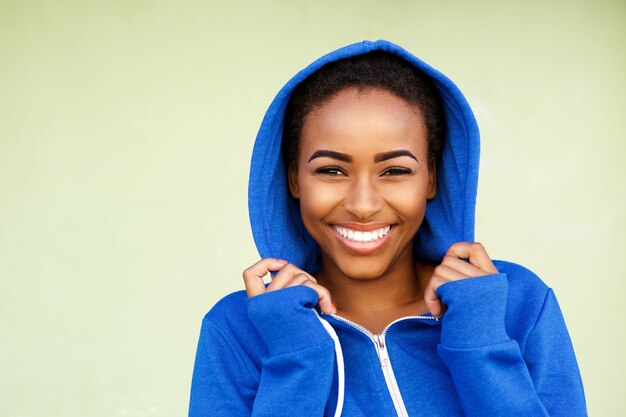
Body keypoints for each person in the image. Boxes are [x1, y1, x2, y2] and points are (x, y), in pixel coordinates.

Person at [188, 40, 587, 416]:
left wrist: (479, 341)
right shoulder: (238, 328)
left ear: (432, 178)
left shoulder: (515, 303)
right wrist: (296, 356)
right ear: (293, 179)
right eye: (331, 170)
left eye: (395, 170)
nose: (363, 205)